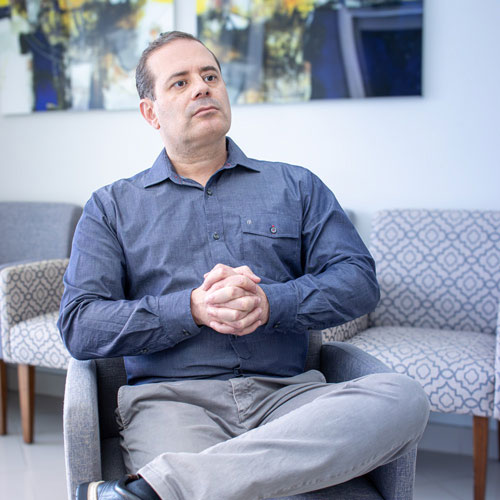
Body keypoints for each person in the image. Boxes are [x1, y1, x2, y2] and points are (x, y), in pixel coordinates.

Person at [58, 31, 429, 500]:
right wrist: (191, 309)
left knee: (404, 398)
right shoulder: (111, 207)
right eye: (180, 82)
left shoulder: (297, 186)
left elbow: (358, 282)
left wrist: (272, 302)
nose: (202, 87)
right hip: (172, 403)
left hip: (291, 398)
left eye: (210, 76)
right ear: (150, 112)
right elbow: (80, 324)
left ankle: (162, 488)